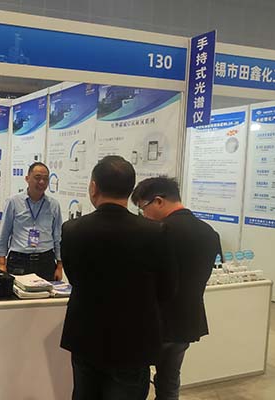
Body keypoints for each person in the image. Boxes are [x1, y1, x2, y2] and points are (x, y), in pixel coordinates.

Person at [61, 155, 175, 400]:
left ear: (93, 188)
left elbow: (75, 278)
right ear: (130, 190)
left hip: (86, 336)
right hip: (134, 340)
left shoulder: (72, 230)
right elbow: (167, 289)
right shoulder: (156, 232)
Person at [131, 177, 222, 400]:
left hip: (152, 321)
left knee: (136, 381)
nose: (143, 215)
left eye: (143, 208)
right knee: (170, 381)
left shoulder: (157, 232)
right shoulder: (209, 233)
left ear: (158, 201)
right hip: (186, 321)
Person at [0, 162, 63, 281]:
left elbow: (58, 236)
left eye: (45, 179)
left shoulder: (53, 205)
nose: (42, 182)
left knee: (46, 293)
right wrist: (1, 263)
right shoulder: (14, 202)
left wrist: (59, 265)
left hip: (46, 260)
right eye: (37, 178)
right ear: (27, 178)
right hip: (19, 260)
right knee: (16, 293)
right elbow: (4, 233)